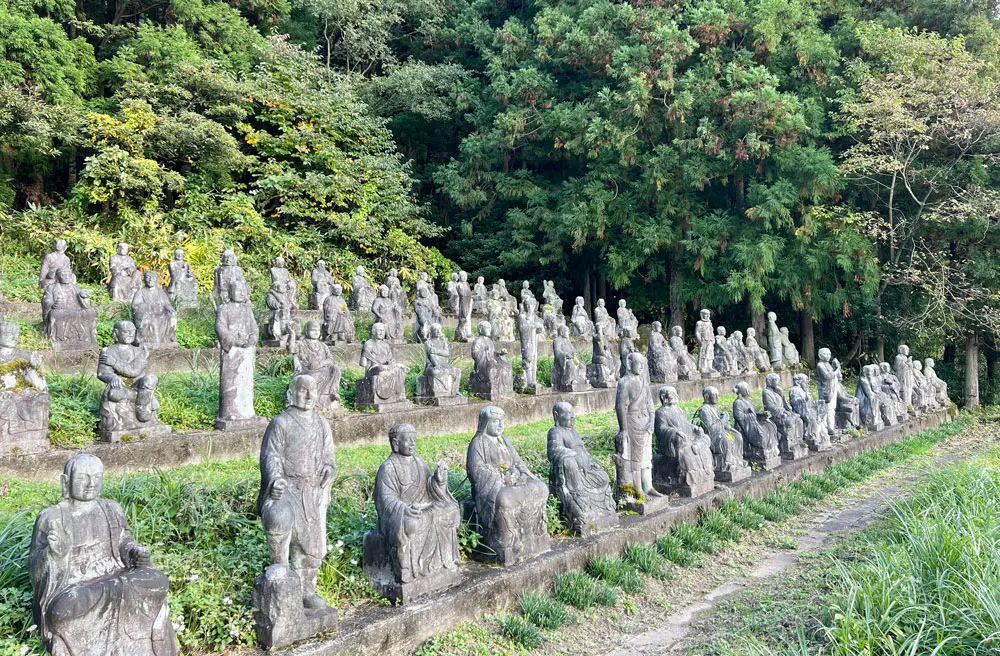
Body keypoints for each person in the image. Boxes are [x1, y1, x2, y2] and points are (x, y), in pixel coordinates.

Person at [30, 455, 178, 656]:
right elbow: (35, 571)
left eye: (97, 477)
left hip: (118, 576)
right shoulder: (52, 516)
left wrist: (136, 553)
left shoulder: (111, 508)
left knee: (158, 580)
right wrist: (56, 555)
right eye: (83, 478)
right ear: (66, 481)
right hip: (77, 588)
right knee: (62, 610)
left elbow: (123, 542)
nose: (91, 483)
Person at [258, 375, 337, 610]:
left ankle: (307, 591)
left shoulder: (322, 423)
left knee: (312, 544)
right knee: (279, 520)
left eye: (313, 391)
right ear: (291, 393)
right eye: (303, 391)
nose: (309, 396)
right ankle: (282, 578)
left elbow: (329, 455)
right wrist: (275, 479)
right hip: (287, 489)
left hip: (312, 491)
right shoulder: (281, 422)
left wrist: (328, 469)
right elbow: (271, 455)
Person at [373, 424, 460, 584]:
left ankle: (441, 562)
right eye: (408, 440)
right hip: (404, 513)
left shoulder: (419, 463)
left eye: (414, 440)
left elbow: (429, 488)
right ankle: (409, 568)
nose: (412, 444)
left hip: (424, 507)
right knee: (411, 523)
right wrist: (404, 509)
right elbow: (385, 499)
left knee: (451, 509)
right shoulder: (388, 468)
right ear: (395, 444)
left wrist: (438, 481)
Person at [466, 406, 549, 564]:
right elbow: (476, 471)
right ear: (485, 423)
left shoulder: (504, 440)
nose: (500, 425)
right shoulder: (478, 443)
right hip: (493, 487)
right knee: (505, 499)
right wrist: (502, 477)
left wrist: (522, 474)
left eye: (502, 421)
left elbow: (518, 461)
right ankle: (507, 545)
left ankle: (536, 536)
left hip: (514, 482)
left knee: (541, 488)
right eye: (495, 421)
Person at [547, 402, 616, 532]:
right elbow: (552, 451)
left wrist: (591, 462)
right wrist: (571, 454)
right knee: (568, 462)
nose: (571, 419)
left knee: (604, 477)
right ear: (556, 416)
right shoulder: (555, 432)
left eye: (573, 416)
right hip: (574, 476)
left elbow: (584, 451)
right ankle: (579, 499)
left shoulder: (574, 431)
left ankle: (602, 508)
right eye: (567, 416)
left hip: (587, 471)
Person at [614, 352, 660, 500]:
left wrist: (652, 421)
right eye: (638, 363)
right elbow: (620, 406)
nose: (641, 366)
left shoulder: (643, 382)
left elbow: (650, 404)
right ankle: (638, 489)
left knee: (647, 456)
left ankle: (648, 486)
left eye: (642, 364)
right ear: (629, 364)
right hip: (633, 421)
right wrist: (623, 429)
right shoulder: (624, 382)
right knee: (636, 457)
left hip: (646, 422)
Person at [293, 321, 342, 412]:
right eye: (313, 330)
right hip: (307, 371)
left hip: (322, 369)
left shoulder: (323, 345)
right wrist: (292, 334)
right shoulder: (301, 344)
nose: (316, 332)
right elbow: (292, 350)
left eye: (317, 330)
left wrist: (321, 363)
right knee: (314, 376)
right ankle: (313, 401)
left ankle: (333, 392)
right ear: (306, 331)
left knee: (336, 369)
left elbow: (330, 359)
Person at [132, 271, 177, 348]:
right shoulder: (140, 292)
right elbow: (135, 305)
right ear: (144, 279)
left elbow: (167, 304)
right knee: (148, 320)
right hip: (147, 314)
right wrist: (149, 306)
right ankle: (146, 340)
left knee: (170, 317)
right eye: (148, 277)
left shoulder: (161, 292)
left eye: (153, 278)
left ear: (156, 280)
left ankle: (167, 339)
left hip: (160, 314)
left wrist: (170, 309)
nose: (150, 280)